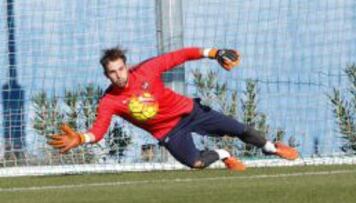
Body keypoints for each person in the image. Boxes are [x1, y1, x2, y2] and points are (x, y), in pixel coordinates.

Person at [48, 47, 298, 171]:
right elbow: (99, 130)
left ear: (127, 66)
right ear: (106, 74)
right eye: (112, 72)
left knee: (239, 129)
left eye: (121, 69)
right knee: (197, 163)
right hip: (169, 131)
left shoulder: (146, 69)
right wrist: (81, 138)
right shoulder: (109, 100)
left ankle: (271, 148)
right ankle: (222, 154)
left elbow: (180, 55)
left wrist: (213, 52)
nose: (118, 75)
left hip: (191, 112)